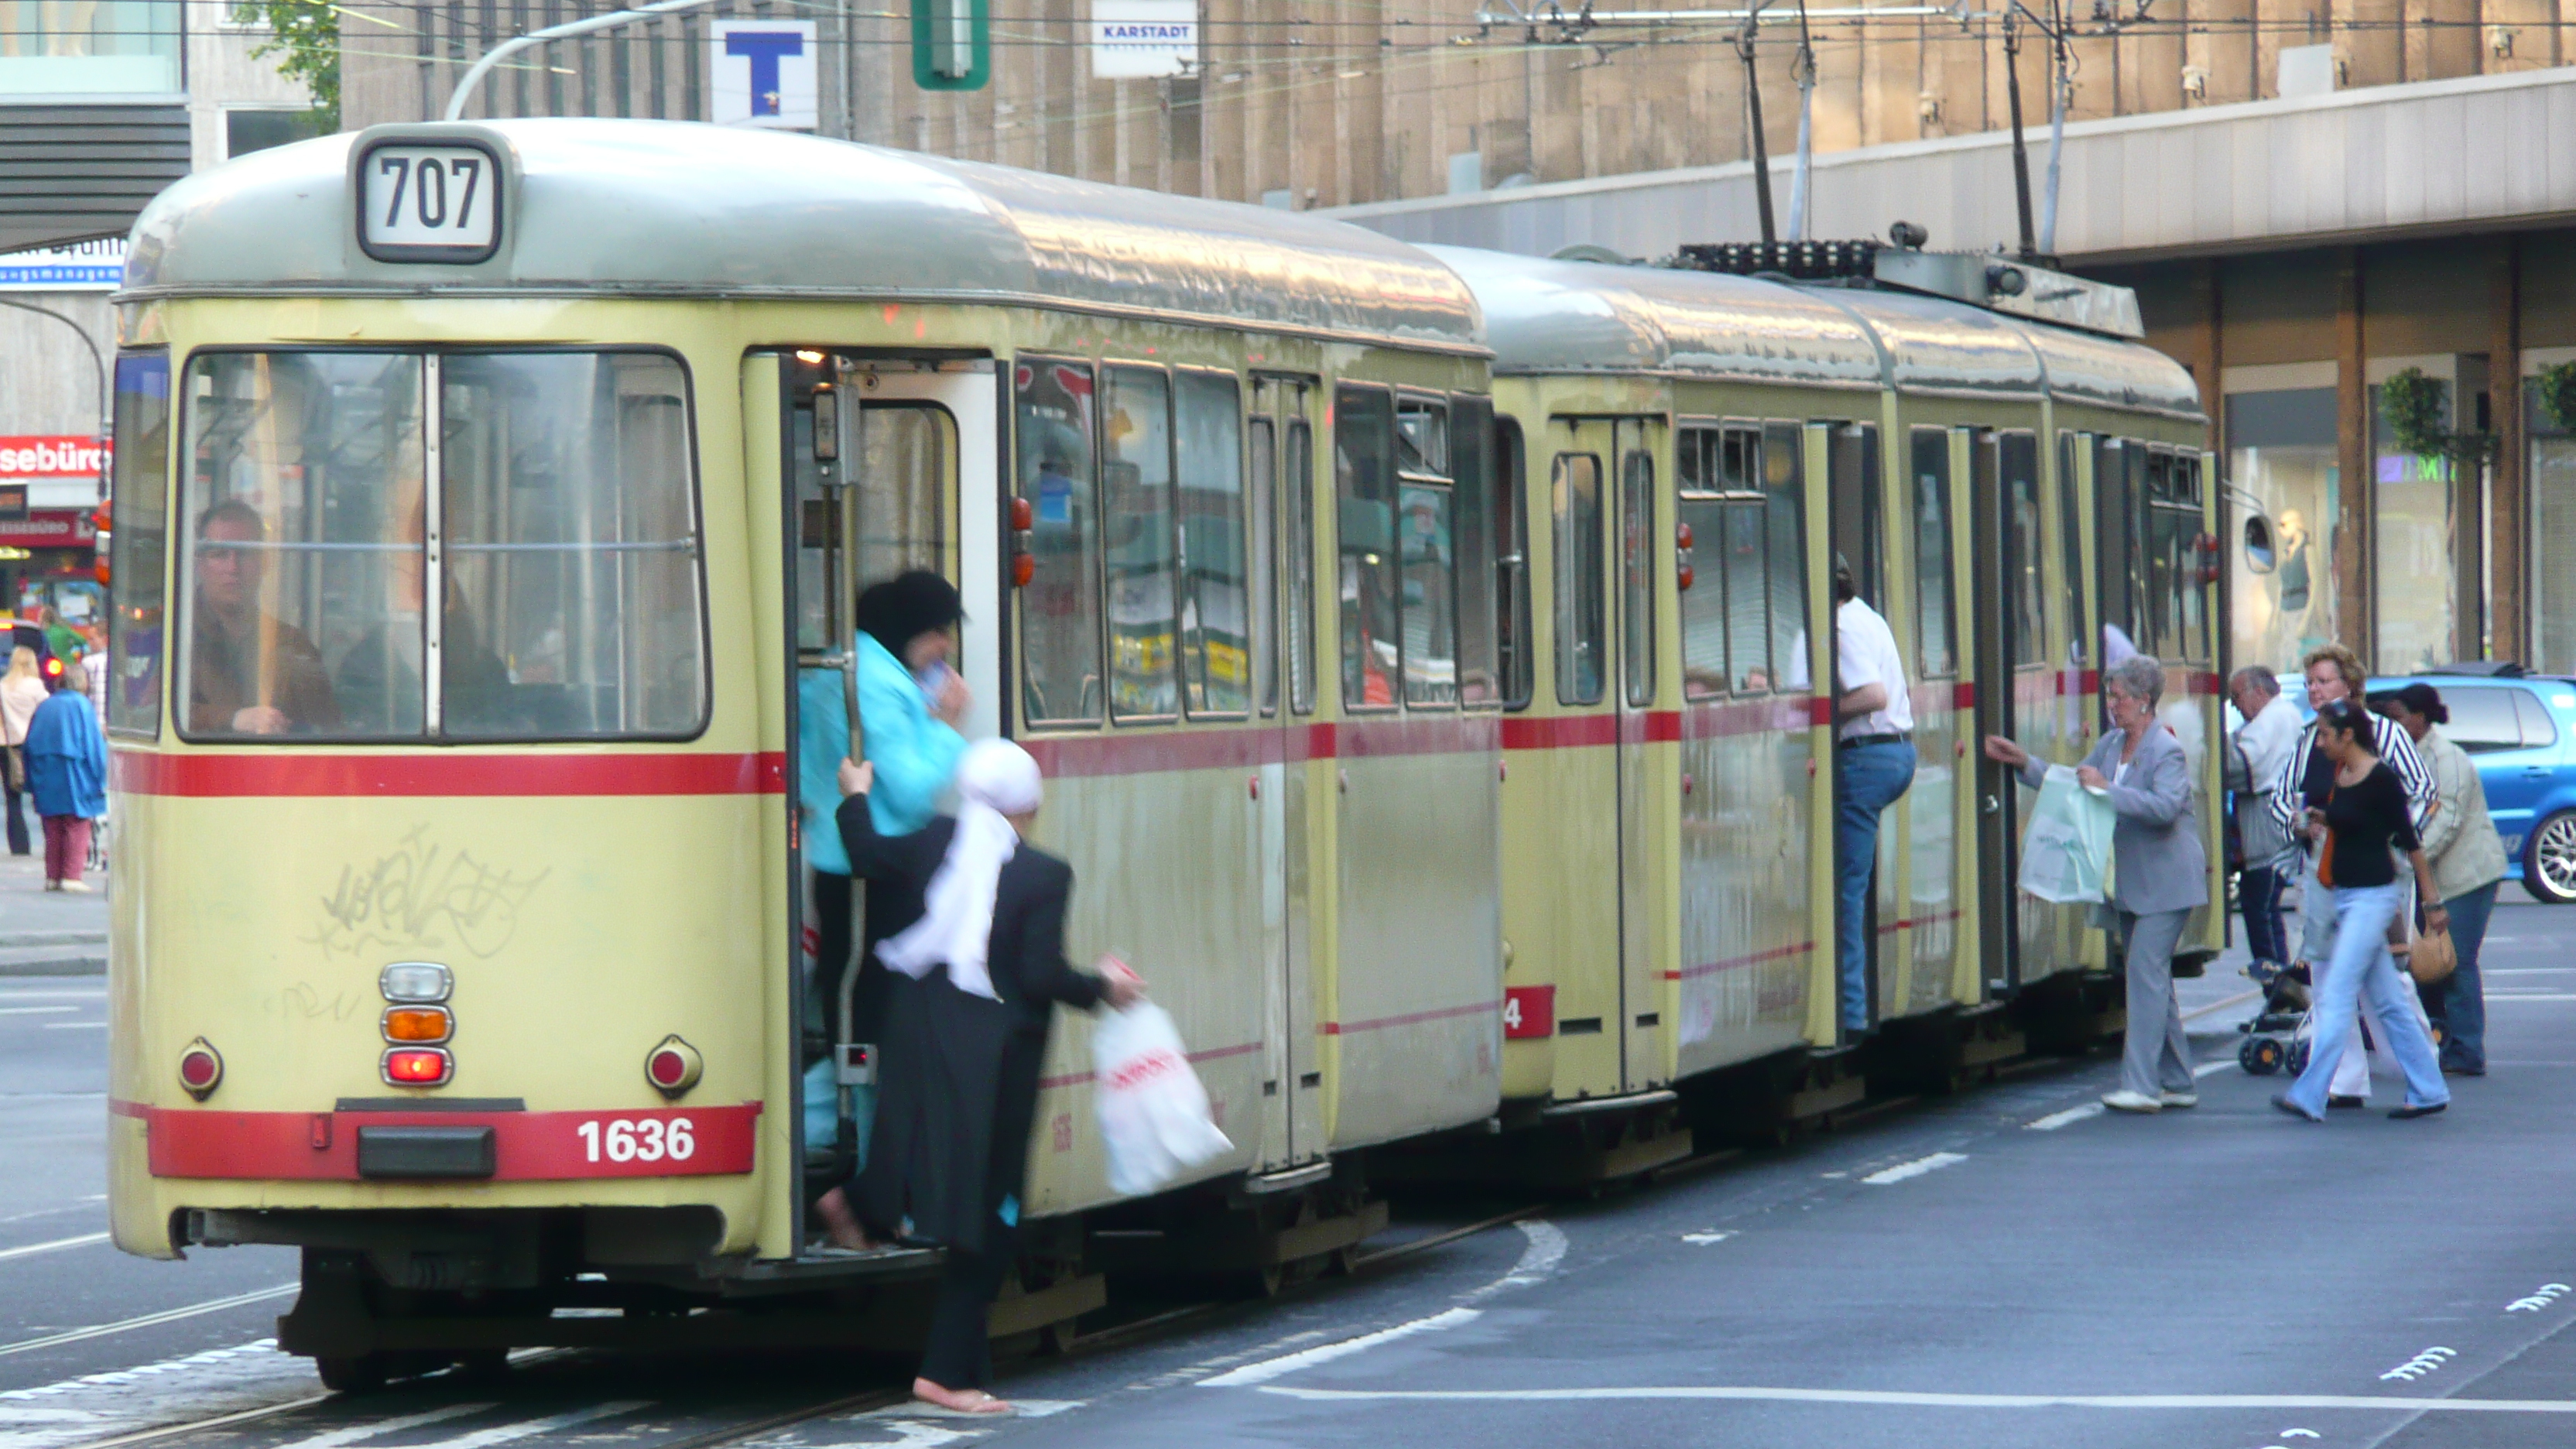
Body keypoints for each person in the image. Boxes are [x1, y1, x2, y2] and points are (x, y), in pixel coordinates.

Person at [816, 742, 1143, 1416]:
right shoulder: (1043, 875)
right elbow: (1038, 976)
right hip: (996, 1055)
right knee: (991, 1212)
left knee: (910, 1146)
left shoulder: (935, 841)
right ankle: (947, 1374)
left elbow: (867, 854)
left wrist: (854, 792)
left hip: (918, 1026)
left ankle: (859, 1204)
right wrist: (1104, 986)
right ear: (1027, 807)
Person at [796, 573, 970, 1166]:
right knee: (877, 1027)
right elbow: (915, 790)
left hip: (841, 863)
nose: (945, 647)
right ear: (912, 631)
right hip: (873, 872)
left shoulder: (851, 669)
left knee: (859, 1018)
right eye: (939, 633)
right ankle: (860, 1163)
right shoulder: (877, 686)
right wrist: (946, 726)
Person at [1985, 654, 2208, 1112]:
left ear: (2145, 701)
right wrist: (2024, 763)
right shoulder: (2111, 744)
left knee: (2145, 977)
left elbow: (2166, 808)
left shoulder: (2165, 749)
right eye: (2110, 696)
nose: (2112, 704)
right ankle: (2178, 1081)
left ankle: (2141, 1087)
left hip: (2167, 883)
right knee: (2152, 981)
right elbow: (2075, 784)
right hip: (2131, 883)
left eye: (2119, 697)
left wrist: (2109, 790)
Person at [2266, 645, 2433, 1107]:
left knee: (2383, 979)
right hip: (2321, 871)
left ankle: (2421, 1066)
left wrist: (2390, 839)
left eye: (2324, 681)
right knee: (2327, 975)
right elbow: (2281, 798)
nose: (2315, 690)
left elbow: (2421, 792)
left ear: (2350, 685)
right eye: (2311, 682)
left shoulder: (2384, 734)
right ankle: (2346, 1078)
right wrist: (2301, 823)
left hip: (2375, 873)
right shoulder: (2307, 739)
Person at [2377, 682, 2506, 1076]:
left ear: (2421, 717)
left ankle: (2468, 1050)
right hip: (2428, 877)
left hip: (2468, 876)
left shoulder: (2447, 759)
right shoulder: (2400, 755)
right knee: (2425, 964)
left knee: (2456, 960)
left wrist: (2405, 861)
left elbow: (2446, 822)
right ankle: (2438, 1039)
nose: (2394, 726)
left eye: (2399, 718)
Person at [1831, 556, 1914, 1036]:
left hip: (1867, 757)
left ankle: (1851, 1010)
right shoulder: (1867, 614)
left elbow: (1872, 695)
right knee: (1855, 881)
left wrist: (1823, 713)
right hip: (1897, 753)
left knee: (1847, 887)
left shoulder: (1841, 626)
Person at [187, 499, 339, 735]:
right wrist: (232, 719)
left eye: (245, 554)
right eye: (219, 554)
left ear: (264, 562)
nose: (233, 568)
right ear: (199, 564)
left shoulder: (292, 643)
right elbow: (145, 713)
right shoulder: (172, 635)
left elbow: (329, 729)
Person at [2228, 666, 2306, 976]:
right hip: (2264, 819)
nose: (2234, 705)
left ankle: (2278, 985)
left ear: (2259, 692)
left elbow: (2245, 761)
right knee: (2262, 907)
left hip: (2268, 822)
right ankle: (2279, 986)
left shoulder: (2277, 716)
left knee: (2260, 907)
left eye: (2236, 696)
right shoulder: (2275, 716)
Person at [24, 659, 105, 892]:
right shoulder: (82, 706)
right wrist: (101, 779)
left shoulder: (46, 705)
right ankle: (71, 875)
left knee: (53, 824)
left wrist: (30, 780)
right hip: (74, 773)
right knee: (76, 823)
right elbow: (93, 746)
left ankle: (53, 875)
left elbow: (30, 744)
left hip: (46, 771)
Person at [0, 646, 47, 858]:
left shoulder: (3, 686)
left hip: (8, 746)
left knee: (13, 799)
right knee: (44, 796)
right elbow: (47, 712)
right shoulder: (36, 686)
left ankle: (20, 847)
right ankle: (51, 843)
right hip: (35, 745)